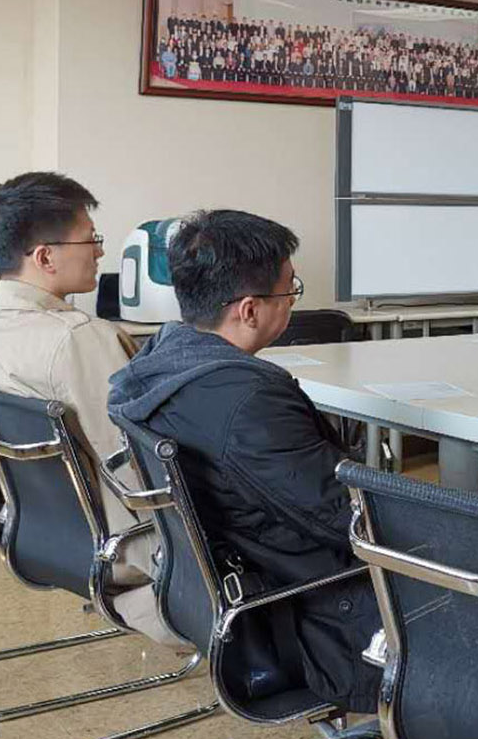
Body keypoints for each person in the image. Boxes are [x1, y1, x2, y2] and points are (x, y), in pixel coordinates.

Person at [107, 209, 383, 712]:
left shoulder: (156, 367)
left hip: (233, 599)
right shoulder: (247, 402)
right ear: (250, 310)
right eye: (290, 289)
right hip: (320, 623)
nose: (293, 300)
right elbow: (352, 520)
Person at [0, 172, 167, 641]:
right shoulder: (80, 339)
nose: (99, 252)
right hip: (128, 548)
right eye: (90, 239)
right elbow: (137, 466)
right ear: (45, 257)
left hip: (48, 535)